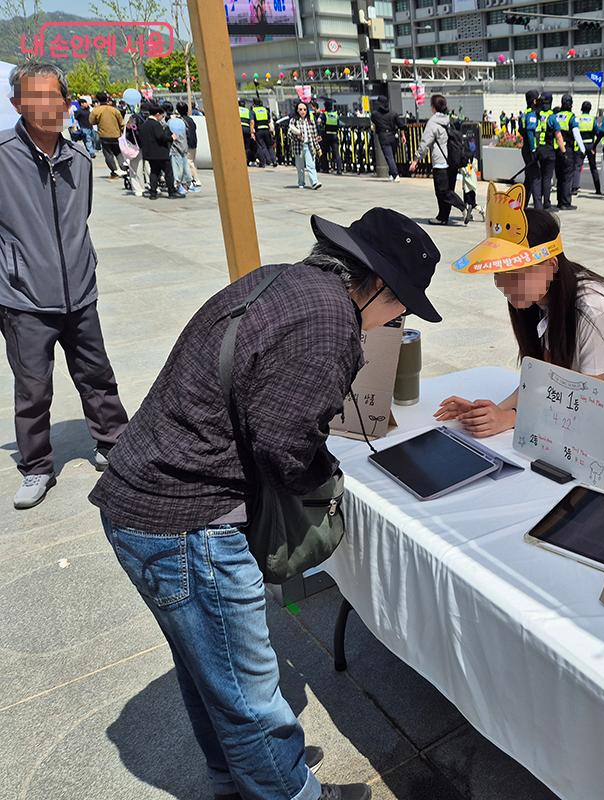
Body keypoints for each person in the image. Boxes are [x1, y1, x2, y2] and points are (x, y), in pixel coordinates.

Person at [90, 208, 445, 800]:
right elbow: (284, 448)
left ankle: (236, 779)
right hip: (187, 521)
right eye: (401, 304)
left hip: (146, 499)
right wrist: (323, 480)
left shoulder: (284, 279)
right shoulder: (329, 319)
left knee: (212, 675)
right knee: (249, 693)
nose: (400, 317)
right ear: (376, 284)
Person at [438, 183, 604, 438]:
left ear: (551, 265)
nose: (503, 285)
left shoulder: (596, 309)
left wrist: (512, 419)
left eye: (515, 274)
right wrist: (491, 411)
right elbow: (545, 374)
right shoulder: (539, 298)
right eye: (498, 273)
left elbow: (592, 403)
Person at [0, 61, 130, 509]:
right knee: (33, 388)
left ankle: (114, 443)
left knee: (97, 376)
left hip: (80, 293)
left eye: (52, 96)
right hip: (24, 299)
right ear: (17, 103)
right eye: (33, 97)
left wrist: (82, 266)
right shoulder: (2, 157)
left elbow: (81, 220)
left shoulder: (79, 159)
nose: (44, 106)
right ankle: (36, 467)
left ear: (65, 101)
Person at [410, 93, 467, 226]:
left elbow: (425, 143)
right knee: (448, 190)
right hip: (452, 161)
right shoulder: (449, 120)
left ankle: (463, 207)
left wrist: (416, 159)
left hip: (441, 162)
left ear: (434, 107)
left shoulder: (433, 122)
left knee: (442, 191)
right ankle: (442, 217)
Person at [139, 101, 185, 200]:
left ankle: (153, 193)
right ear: (158, 114)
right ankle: (171, 192)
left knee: (154, 172)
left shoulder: (144, 125)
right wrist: (171, 137)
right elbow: (161, 137)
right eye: (162, 115)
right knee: (168, 172)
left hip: (149, 154)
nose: (162, 117)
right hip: (160, 153)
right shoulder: (155, 125)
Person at [549, 94, 581, 210]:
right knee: (567, 176)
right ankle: (565, 203)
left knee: (559, 176)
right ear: (571, 104)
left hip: (557, 149)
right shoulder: (572, 117)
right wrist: (581, 149)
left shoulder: (555, 116)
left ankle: (559, 201)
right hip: (568, 149)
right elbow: (576, 134)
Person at [288, 101, 322, 190]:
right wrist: (297, 135)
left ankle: (314, 182)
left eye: (305, 109)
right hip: (298, 146)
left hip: (308, 145)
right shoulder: (294, 121)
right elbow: (289, 134)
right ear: (297, 110)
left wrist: (318, 148)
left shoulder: (310, 121)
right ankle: (301, 182)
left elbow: (314, 135)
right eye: (300, 109)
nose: (303, 111)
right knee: (300, 167)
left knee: (311, 165)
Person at [92, 92, 125, 178]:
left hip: (104, 135)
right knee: (118, 153)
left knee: (108, 155)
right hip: (116, 135)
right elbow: (121, 122)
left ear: (98, 100)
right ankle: (124, 169)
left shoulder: (96, 110)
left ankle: (114, 171)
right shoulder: (114, 110)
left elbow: (91, 121)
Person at [519, 89, 543, 210]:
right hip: (530, 150)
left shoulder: (526, 113)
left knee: (528, 179)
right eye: (538, 99)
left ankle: (522, 205)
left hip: (527, 149)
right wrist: (534, 149)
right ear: (534, 101)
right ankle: (539, 208)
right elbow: (530, 132)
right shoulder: (531, 114)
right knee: (536, 178)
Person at [370, 98, 402, 181]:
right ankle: (391, 173)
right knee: (392, 156)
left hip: (383, 136)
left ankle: (395, 174)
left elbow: (373, 121)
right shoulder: (393, 113)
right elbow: (400, 125)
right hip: (393, 135)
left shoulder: (375, 114)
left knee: (389, 156)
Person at [535, 91, 557, 210]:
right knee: (547, 178)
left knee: (539, 177)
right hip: (549, 149)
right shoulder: (552, 116)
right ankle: (547, 203)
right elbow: (557, 133)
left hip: (538, 149)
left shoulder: (537, 114)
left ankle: (538, 202)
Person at [575, 100, 601, 195]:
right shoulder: (592, 119)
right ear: (590, 109)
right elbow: (598, 132)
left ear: (582, 109)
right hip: (590, 145)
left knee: (577, 167)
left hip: (580, 145)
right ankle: (598, 189)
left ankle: (574, 188)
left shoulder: (578, 119)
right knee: (593, 167)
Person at [176, 101, 200, 190]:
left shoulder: (181, 120)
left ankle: (195, 180)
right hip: (193, 143)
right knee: (192, 162)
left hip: (187, 144)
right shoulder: (190, 119)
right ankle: (191, 179)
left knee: (189, 162)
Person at [318, 99, 343, 175]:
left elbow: (319, 121)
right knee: (336, 153)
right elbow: (340, 124)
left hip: (326, 135)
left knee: (324, 152)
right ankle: (339, 170)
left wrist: (321, 126)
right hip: (334, 135)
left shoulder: (324, 114)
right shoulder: (336, 114)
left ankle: (326, 169)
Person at [251, 98, 276, 167]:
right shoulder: (265, 110)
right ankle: (274, 160)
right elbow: (269, 120)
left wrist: (252, 131)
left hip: (259, 130)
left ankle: (268, 161)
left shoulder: (253, 111)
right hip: (266, 130)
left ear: (254, 104)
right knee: (270, 146)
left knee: (263, 146)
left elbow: (252, 122)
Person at [238, 98, 254, 165]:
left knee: (239, 145)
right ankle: (247, 160)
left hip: (239, 128)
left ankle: (240, 160)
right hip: (247, 129)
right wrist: (251, 132)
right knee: (247, 146)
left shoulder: (236, 109)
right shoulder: (247, 110)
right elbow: (251, 122)